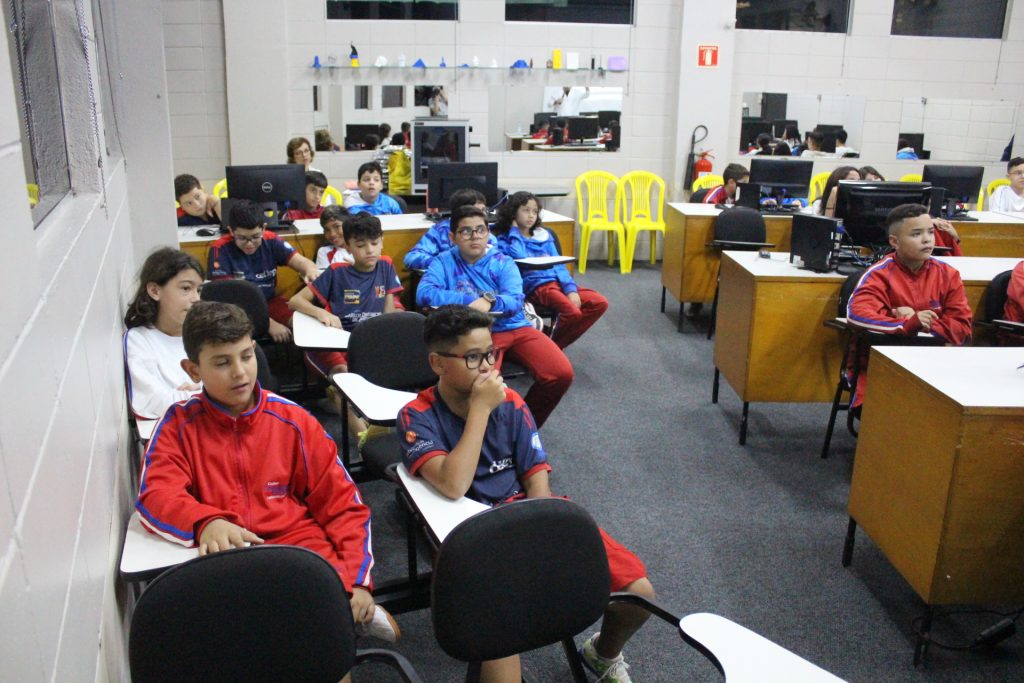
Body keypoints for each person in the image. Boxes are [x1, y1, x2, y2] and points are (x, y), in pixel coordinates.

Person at [397, 305, 655, 683]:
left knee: (639, 594)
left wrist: (538, 542)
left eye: (491, 353)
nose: (488, 367)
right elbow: (453, 485)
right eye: (473, 357)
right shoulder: (416, 416)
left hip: (523, 518)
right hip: (468, 535)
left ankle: (601, 654)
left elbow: (536, 479)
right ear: (438, 363)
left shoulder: (512, 403)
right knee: (503, 644)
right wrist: (480, 411)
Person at [135, 301, 398, 655]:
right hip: (231, 557)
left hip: (301, 551)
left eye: (246, 356)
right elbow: (155, 494)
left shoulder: (294, 421)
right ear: (193, 370)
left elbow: (343, 506)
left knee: (327, 646)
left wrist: (358, 580)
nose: (240, 372)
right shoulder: (178, 426)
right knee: (249, 646)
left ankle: (345, 612)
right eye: (222, 362)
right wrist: (205, 521)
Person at [416, 206, 573, 428]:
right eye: (466, 231)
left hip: (515, 326)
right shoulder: (443, 261)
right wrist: (470, 302)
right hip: (477, 334)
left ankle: (524, 426)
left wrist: (490, 301)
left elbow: (514, 299)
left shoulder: (502, 261)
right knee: (483, 384)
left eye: (480, 230)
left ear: (488, 233)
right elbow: (425, 293)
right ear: (453, 237)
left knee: (561, 373)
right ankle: (480, 432)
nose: (475, 236)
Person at [847, 203, 972, 408]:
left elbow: (962, 328)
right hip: (882, 365)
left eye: (930, 232)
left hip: (937, 364)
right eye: (916, 234)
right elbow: (856, 315)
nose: (927, 239)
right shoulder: (879, 274)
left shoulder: (948, 275)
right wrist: (905, 324)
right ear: (894, 241)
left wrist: (920, 322)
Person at [290, 212, 402, 433]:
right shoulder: (336, 272)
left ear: (382, 241)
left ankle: (375, 428)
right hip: (331, 343)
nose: (369, 250)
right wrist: (320, 313)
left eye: (374, 243)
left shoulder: (386, 265)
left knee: (381, 376)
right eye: (360, 245)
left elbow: (388, 313)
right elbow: (295, 301)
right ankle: (363, 438)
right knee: (343, 377)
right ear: (348, 247)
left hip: (364, 342)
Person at [493, 191, 608, 350]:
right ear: (513, 213)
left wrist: (570, 290)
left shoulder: (544, 236)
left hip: (557, 283)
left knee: (599, 302)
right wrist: (514, 231)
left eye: (535, 211)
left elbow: (559, 266)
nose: (531, 215)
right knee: (573, 313)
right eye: (526, 210)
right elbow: (521, 257)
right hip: (537, 286)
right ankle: (549, 348)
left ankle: (551, 345)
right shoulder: (504, 240)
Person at [207, 199, 319, 342]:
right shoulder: (219, 249)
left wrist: (310, 271)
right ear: (231, 231)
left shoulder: (271, 240)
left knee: (305, 325)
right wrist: (268, 323)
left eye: (255, 237)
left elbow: (303, 262)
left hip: (269, 302)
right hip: (237, 309)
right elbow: (225, 299)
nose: (249, 244)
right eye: (242, 238)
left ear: (264, 228)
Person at [123, 248, 204, 419]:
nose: (196, 299)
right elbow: (150, 403)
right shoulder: (139, 339)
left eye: (198, 290)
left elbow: (235, 387)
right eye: (186, 288)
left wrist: (198, 393)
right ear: (154, 291)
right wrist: (204, 394)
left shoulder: (207, 333)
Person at [403, 188, 495, 271]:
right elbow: (411, 258)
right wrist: (444, 263)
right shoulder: (440, 231)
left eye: (484, 210)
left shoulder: (487, 235)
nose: (483, 215)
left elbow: (495, 260)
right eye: (477, 212)